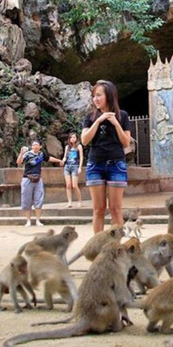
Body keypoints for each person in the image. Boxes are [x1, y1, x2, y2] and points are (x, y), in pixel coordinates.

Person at [81, 80, 132, 233]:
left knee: (116, 209)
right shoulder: (90, 117)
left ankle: (119, 248)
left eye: (98, 95)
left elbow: (126, 142)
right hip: (95, 164)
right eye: (93, 96)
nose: (95, 99)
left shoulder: (122, 116)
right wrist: (98, 120)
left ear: (108, 96)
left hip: (116, 164)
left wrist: (116, 123)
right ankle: (98, 248)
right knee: (98, 209)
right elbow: (84, 140)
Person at [16, 139, 63, 227]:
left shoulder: (41, 154)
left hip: (38, 179)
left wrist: (59, 160)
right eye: (34, 145)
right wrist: (21, 153)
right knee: (27, 199)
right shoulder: (27, 154)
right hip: (27, 178)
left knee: (39, 199)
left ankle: (38, 220)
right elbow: (19, 162)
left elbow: (49, 158)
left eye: (37, 145)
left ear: (40, 146)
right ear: (32, 146)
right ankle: (28, 220)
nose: (35, 146)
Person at [61, 132, 84, 208]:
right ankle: (69, 202)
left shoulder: (79, 146)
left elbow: (81, 157)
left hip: (75, 166)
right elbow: (65, 157)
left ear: (76, 138)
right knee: (68, 185)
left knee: (74, 185)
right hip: (67, 166)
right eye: (71, 137)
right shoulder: (67, 147)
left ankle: (80, 201)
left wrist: (80, 167)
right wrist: (62, 161)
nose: (72, 139)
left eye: (74, 137)